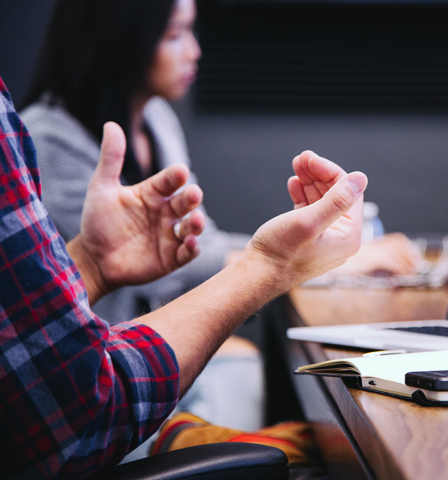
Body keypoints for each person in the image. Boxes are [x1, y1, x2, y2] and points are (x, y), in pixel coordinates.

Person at [0, 76, 368, 478]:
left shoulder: (158, 117)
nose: (194, 49)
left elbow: (20, 327)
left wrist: (90, 264)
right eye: (175, 33)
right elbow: (79, 408)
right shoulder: (45, 132)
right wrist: (270, 265)